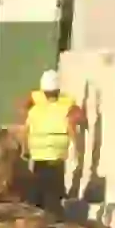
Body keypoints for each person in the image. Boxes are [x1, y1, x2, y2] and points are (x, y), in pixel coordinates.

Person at [20, 69, 83, 216]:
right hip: (56, 158)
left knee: (38, 194)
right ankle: (51, 225)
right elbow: (72, 128)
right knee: (53, 196)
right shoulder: (65, 108)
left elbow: (26, 131)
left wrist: (25, 149)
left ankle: (36, 224)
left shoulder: (35, 110)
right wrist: (77, 151)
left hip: (38, 158)